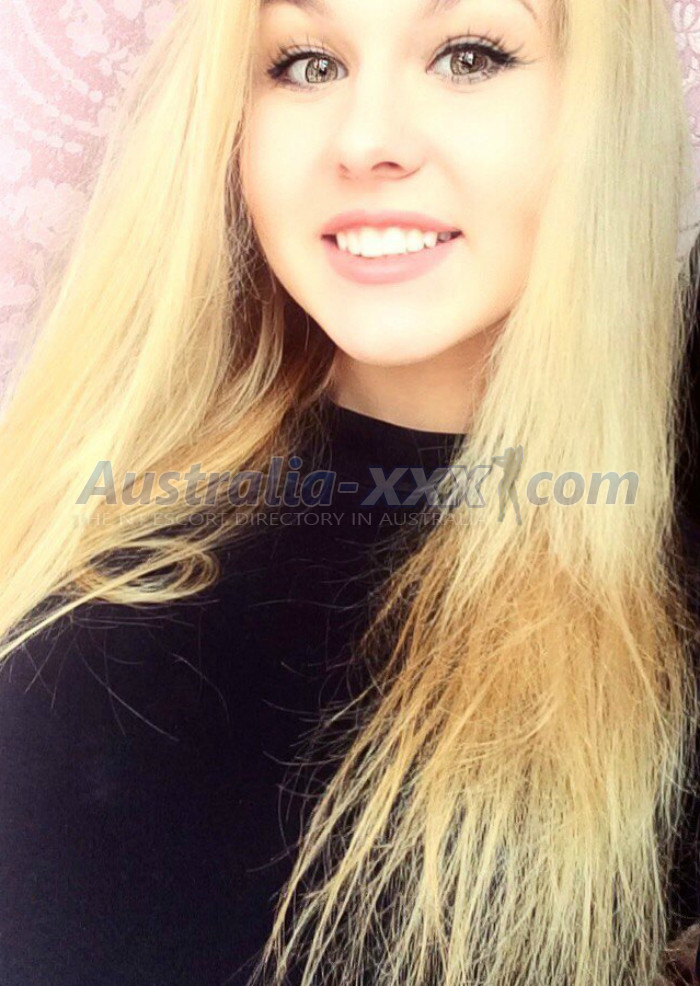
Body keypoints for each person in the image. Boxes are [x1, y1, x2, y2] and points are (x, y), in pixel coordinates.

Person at [0, 0, 698, 984]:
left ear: (602, 109)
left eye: (469, 54)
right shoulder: (85, 490)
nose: (365, 141)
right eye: (306, 63)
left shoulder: (659, 592)